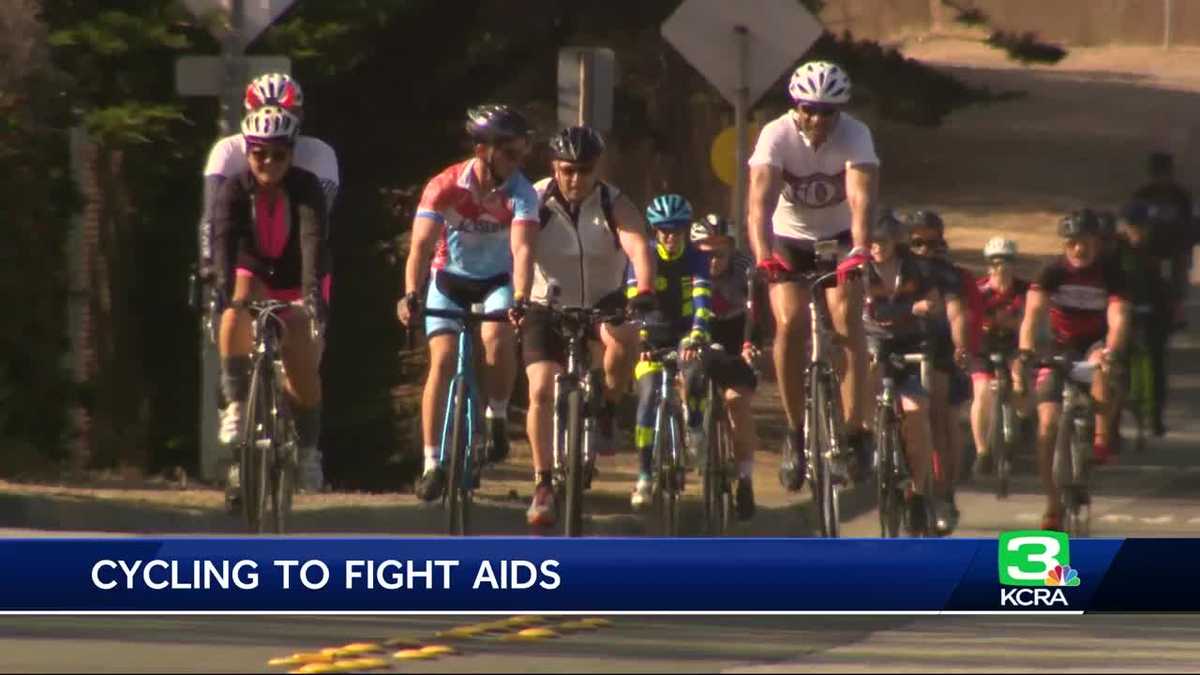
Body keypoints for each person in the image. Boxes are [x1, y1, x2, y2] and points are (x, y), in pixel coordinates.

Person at [746, 60, 879, 491]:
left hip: (839, 238)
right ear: (796, 106)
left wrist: (859, 249)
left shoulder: (855, 134)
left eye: (828, 111)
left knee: (846, 322)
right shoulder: (776, 135)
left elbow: (860, 199)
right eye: (810, 109)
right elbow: (759, 205)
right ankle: (794, 432)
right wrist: (764, 255)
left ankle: (855, 431)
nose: (819, 118)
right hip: (789, 240)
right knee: (790, 323)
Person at [397, 104, 538, 502]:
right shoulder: (445, 185)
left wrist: (522, 298)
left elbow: (523, 250)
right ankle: (430, 464)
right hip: (449, 280)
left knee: (496, 336)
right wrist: (411, 293)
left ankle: (495, 414)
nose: (517, 162)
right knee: (441, 363)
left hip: (496, 281)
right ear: (483, 150)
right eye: (510, 153)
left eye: (521, 153)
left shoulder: (522, 192)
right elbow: (421, 247)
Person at [521, 125, 657, 527]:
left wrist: (644, 287)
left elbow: (637, 245)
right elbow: (520, 247)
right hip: (547, 301)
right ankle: (543, 482)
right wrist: (517, 293)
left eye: (583, 170)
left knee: (625, 339)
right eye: (566, 170)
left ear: (597, 168)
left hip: (604, 300)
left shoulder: (615, 202)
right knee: (542, 390)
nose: (574, 179)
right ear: (554, 167)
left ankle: (606, 411)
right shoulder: (535, 199)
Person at [212, 105, 330, 496]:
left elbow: (313, 241)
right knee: (236, 303)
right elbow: (223, 242)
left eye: (279, 154)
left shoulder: (306, 187)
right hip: (255, 270)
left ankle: (309, 451)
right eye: (260, 152)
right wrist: (221, 292)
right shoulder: (234, 189)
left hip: (300, 275)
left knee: (301, 362)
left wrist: (311, 297)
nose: (269, 162)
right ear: (247, 153)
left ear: (291, 155)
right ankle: (235, 406)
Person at [1015, 209, 1130, 532]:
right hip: (1059, 347)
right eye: (1073, 243)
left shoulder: (1111, 271)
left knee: (1103, 371)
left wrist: (1110, 349)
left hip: (1094, 344)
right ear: (1065, 244)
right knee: (1047, 429)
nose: (1079, 249)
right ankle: (1052, 505)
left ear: (1098, 242)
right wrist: (1026, 350)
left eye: (1086, 242)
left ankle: (1101, 436)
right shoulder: (1051, 271)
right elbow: (1033, 314)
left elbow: (1118, 317)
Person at [862, 212, 953, 534]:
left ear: (896, 241)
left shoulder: (916, 268)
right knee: (865, 386)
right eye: (871, 242)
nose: (876, 248)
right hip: (872, 348)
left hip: (909, 349)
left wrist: (922, 310)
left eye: (883, 242)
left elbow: (934, 302)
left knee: (916, 415)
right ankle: (865, 450)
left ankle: (917, 494)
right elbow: (872, 312)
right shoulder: (858, 269)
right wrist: (912, 309)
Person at [629, 195, 713, 510]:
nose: (670, 236)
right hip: (649, 336)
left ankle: (694, 427)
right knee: (648, 395)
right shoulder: (643, 257)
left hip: (684, 333)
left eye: (676, 229)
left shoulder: (696, 258)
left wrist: (697, 335)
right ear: (654, 230)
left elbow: (703, 301)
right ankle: (643, 476)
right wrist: (640, 340)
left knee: (693, 371)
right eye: (663, 230)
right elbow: (632, 303)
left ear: (686, 230)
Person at [688, 214, 763, 520]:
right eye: (705, 254)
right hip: (696, 331)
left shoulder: (745, 268)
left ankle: (745, 479)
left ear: (732, 250)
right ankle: (693, 428)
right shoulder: (685, 268)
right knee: (687, 374)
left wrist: (750, 345)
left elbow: (755, 312)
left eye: (720, 253)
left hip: (735, 333)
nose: (713, 261)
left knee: (736, 402)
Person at [905, 210, 976, 534]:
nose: (924, 249)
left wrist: (961, 345)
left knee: (940, 417)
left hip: (937, 349)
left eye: (931, 242)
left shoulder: (947, 273)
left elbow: (956, 312)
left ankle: (944, 494)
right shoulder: (890, 268)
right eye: (916, 241)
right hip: (896, 343)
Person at [970, 237, 1031, 476]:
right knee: (982, 392)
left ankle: (1024, 417)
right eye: (995, 263)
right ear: (988, 266)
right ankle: (982, 451)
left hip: (1014, 347)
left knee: (1021, 377)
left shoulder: (1025, 291)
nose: (1000, 268)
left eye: (1006, 262)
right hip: (985, 348)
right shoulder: (978, 290)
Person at [1114, 201, 1171, 437]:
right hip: (1122, 308)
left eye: (1143, 227)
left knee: (1156, 359)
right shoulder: (1116, 251)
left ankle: (1155, 413)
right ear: (1125, 227)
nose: (1139, 232)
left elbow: (1165, 284)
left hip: (1152, 309)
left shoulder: (1157, 249)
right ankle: (1113, 421)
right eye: (1134, 227)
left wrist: (1169, 309)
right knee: (1116, 361)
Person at [1131, 151, 1193, 327]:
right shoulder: (1143, 195)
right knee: (1138, 269)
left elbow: (1189, 223)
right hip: (1149, 244)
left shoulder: (1180, 196)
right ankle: (1142, 306)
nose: (1161, 179)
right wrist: (1137, 238)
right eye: (1158, 174)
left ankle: (1178, 311)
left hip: (1175, 244)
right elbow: (1132, 221)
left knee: (1179, 272)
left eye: (1165, 174)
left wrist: (1185, 246)